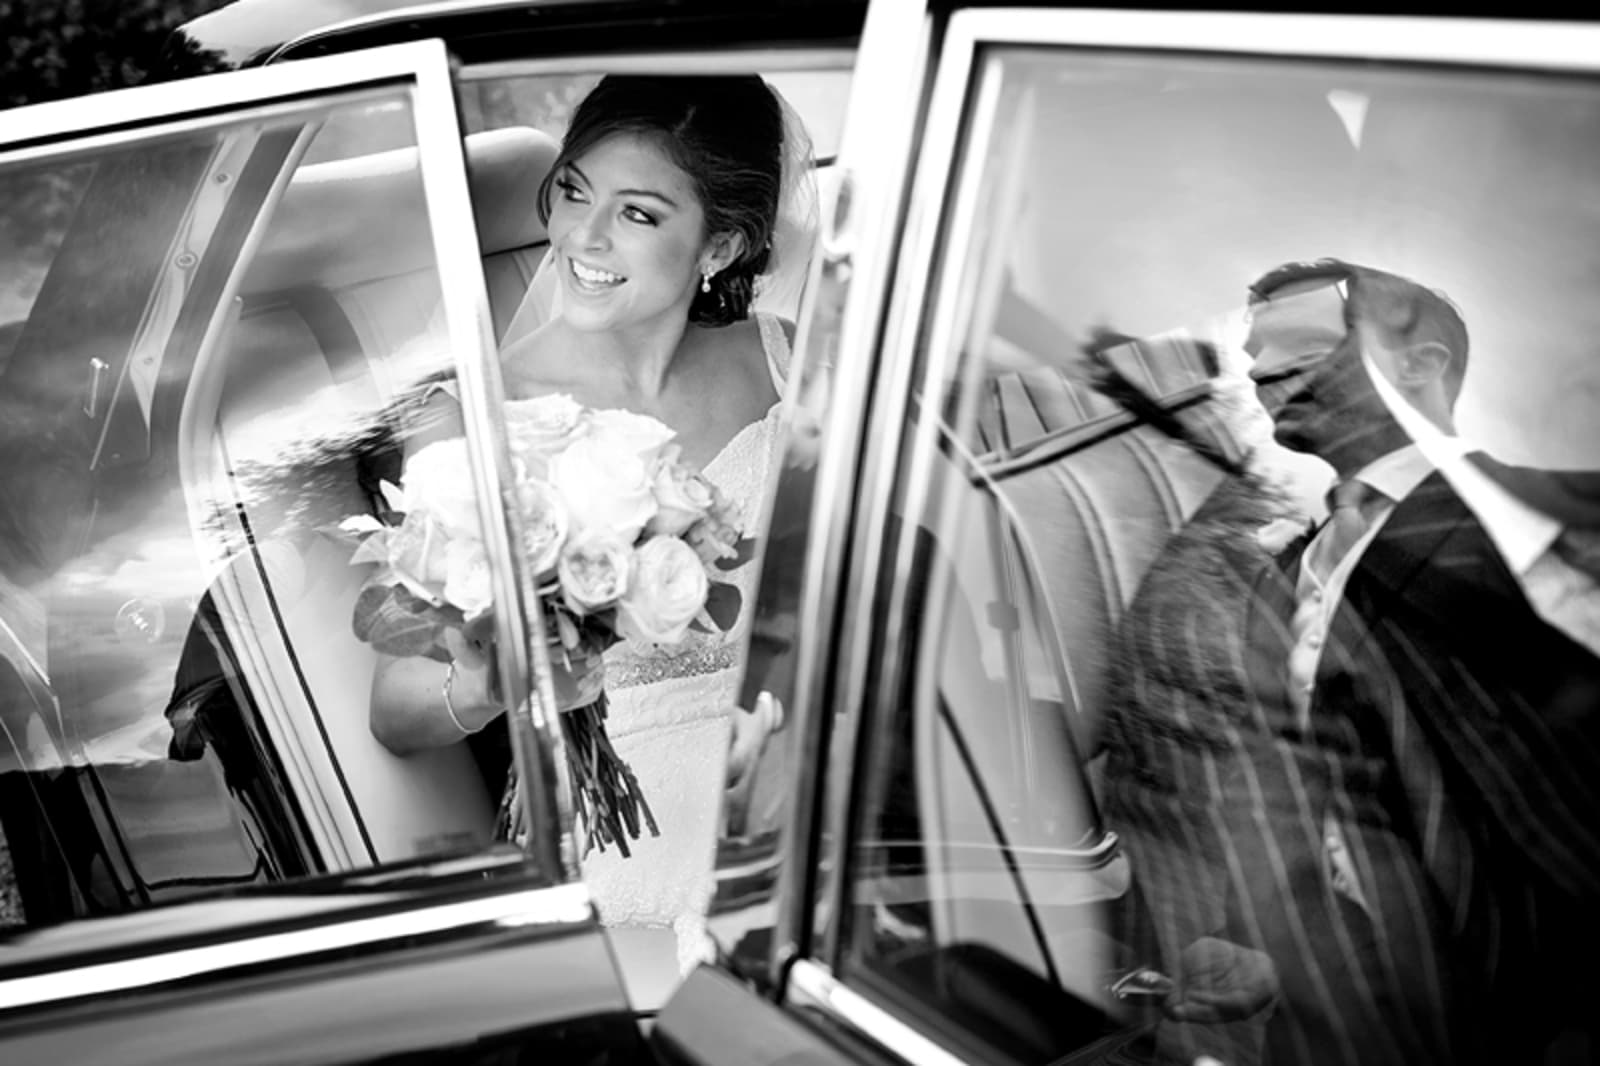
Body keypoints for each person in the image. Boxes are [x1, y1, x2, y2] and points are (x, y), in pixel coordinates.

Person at [1101, 257, 1600, 1066]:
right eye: (1253, 353)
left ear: (1419, 365)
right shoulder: (1283, 570)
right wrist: (1260, 946)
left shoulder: (1544, 523)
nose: (1260, 374)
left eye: (1300, 348)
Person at [367, 73, 808, 978]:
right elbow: (395, 708)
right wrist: (497, 675)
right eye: (574, 192)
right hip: (623, 832)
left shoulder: (790, 363)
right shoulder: (469, 415)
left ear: (721, 243)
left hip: (805, 778)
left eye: (636, 213)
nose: (582, 236)